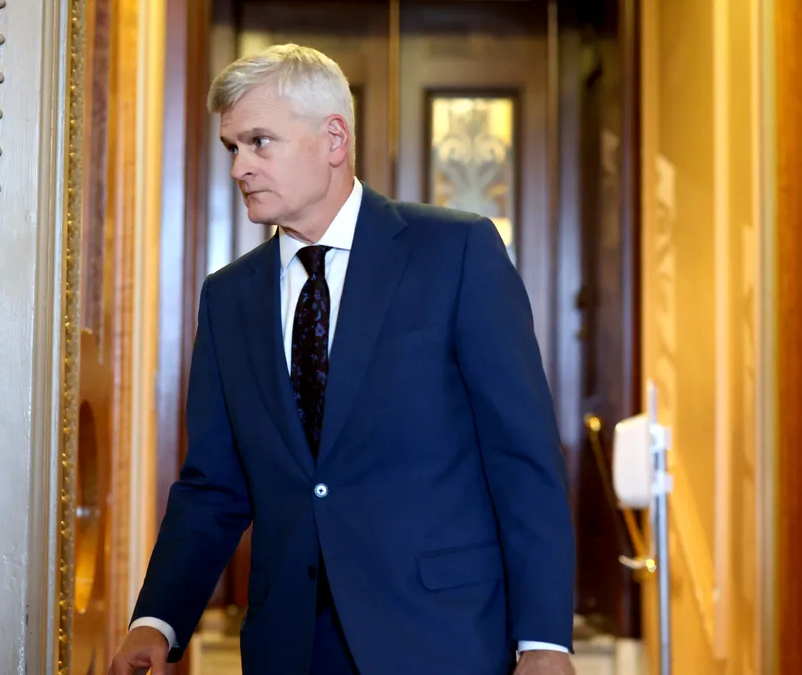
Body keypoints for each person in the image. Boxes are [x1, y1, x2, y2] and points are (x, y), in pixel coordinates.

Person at [109, 44, 575, 675]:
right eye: (232, 148)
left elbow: (523, 459)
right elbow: (213, 485)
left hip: (442, 638)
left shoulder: (456, 251)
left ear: (333, 138)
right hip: (289, 646)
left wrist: (544, 640)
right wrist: (156, 622)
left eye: (260, 142)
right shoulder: (228, 298)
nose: (240, 167)